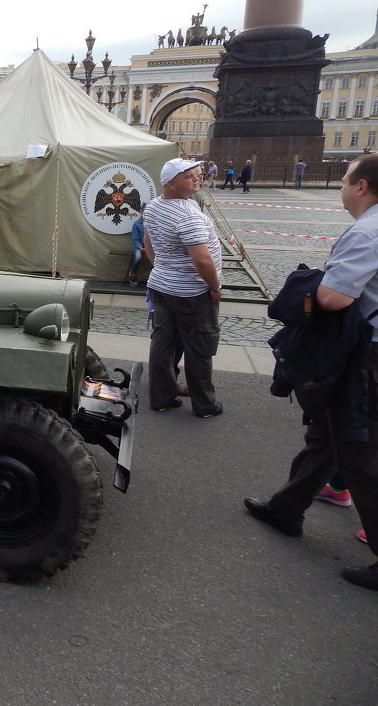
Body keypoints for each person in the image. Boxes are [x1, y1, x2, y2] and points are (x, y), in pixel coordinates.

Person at [244, 153, 378, 591]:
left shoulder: (367, 232)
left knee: (359, 453)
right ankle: (287, 507)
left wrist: (304, 291)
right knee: (327, 436)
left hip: (364, 357)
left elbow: (335, 298)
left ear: (361, 187)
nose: (341, 185)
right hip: (364, 352)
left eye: (344, 179)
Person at [143, 157, 224, 418]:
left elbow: (148, 241)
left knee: (162, 343)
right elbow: (202, 259)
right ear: (171, 183)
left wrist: (161, 267)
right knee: (199, 347)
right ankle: (205, 405)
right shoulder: (188, 215)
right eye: (190, 176)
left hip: (162, 286)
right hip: (193, 292)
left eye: (199, 174)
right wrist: (215, 287)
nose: (198, 179)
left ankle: (162, 397)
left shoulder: (154, 206)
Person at [128, 201, 146, 287]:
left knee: (158, 259)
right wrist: (140, 247)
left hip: (151, 248)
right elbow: (135, 240)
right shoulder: (136, 224)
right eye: (144, 211)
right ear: (140, 211)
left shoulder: (154, 224)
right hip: (139, 247)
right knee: (138, 257)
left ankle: (157, 279)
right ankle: (133, 274)